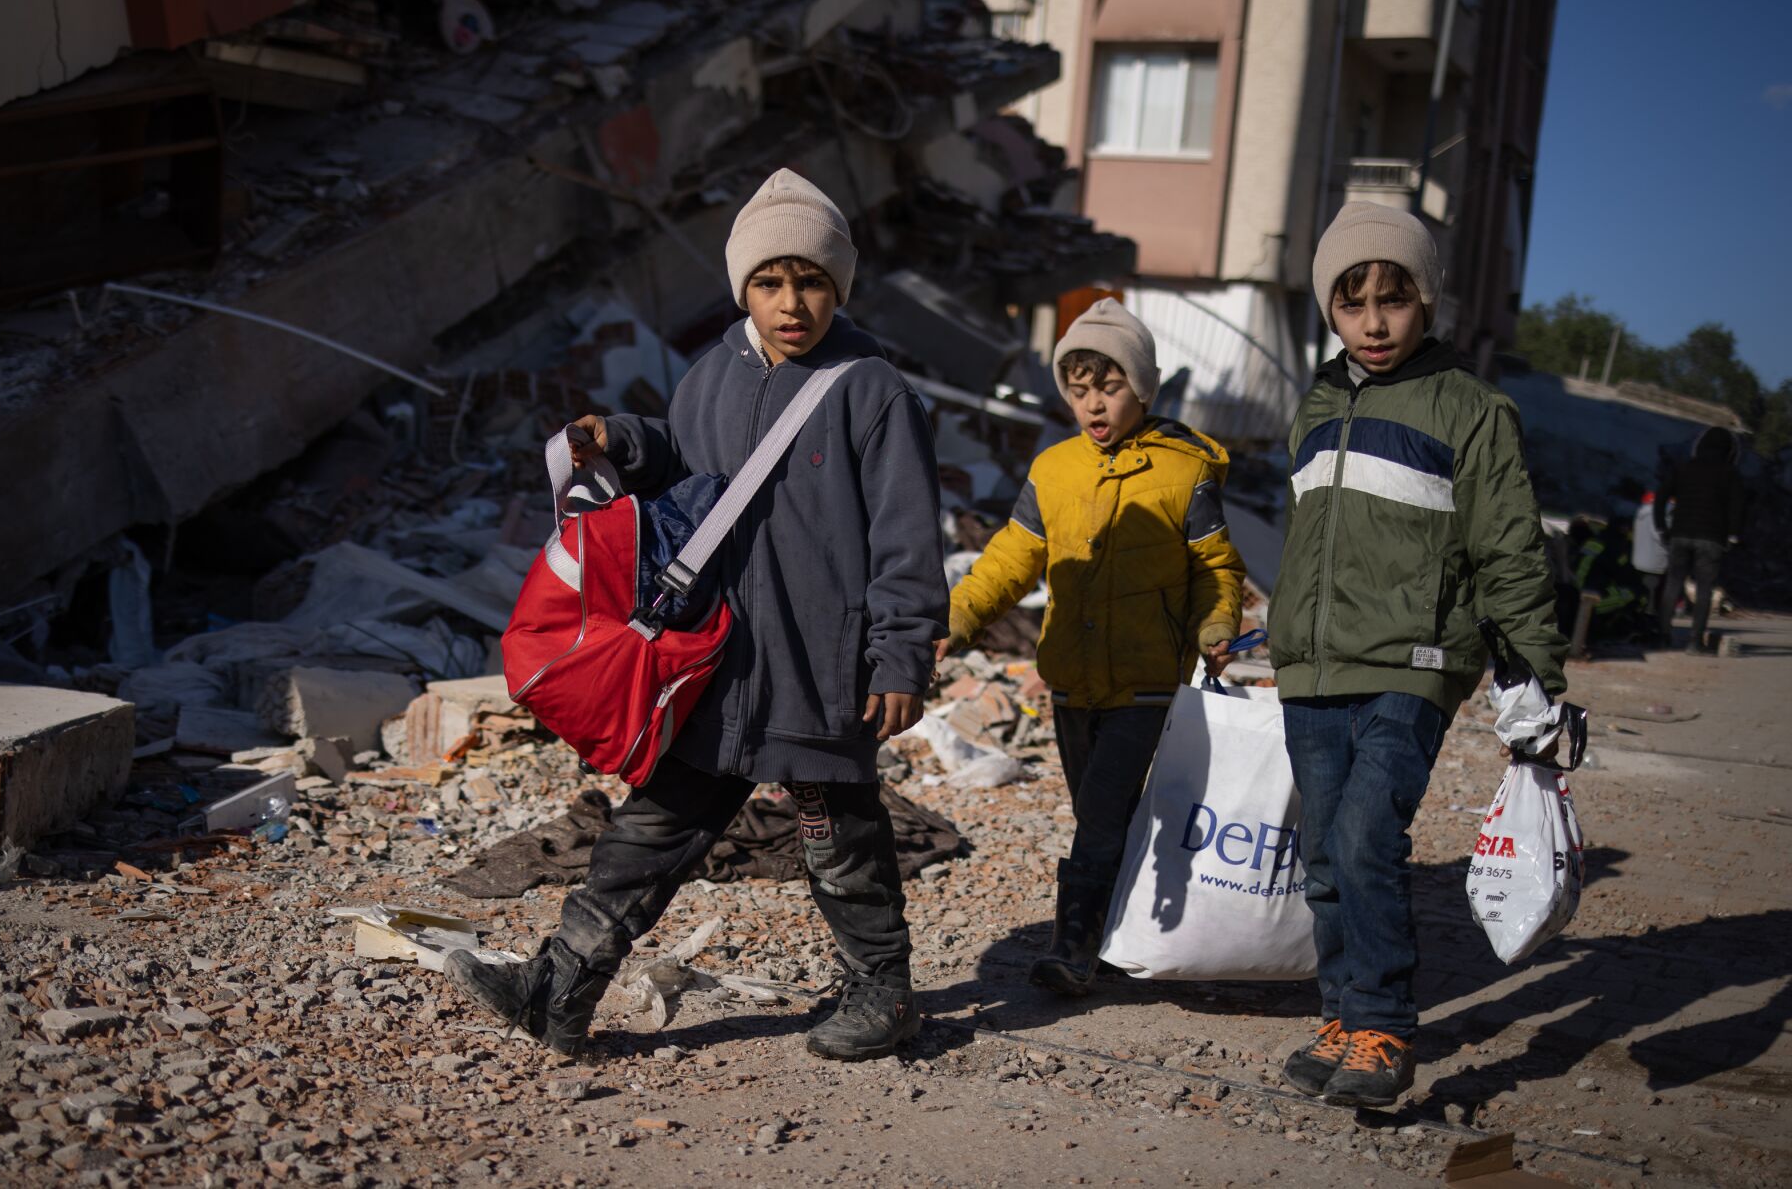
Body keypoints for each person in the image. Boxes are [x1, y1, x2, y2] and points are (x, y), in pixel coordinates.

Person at [444, 168, 947, 1061]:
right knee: (650, 828)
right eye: (770, 282)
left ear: (840, 286)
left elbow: (908, 539)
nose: (792, 303)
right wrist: (624, 442)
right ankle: (557, 989)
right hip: (716, 661)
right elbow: (686, 461)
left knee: (841, 835)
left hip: (816, 664)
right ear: (742, 286)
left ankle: (885, 995)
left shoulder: (872, 390)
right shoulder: (710, 373)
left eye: (812, 282)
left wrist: (901, 657)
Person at [1271, 202, 1567, 1108]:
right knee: (1323, 855)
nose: (1373, 321)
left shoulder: (1471, 410)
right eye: (1352, 302)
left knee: (1367, 838)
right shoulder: (1316, 405)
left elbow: (1509, 548)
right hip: (1311, 671)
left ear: (1426, 302)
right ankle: (1343, 1016)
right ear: (1329, 310)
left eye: (1392, 300)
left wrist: (1537, 678)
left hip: (1412, 664)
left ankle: (1388, 1026)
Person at [938, 298, 1246, 995]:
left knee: (1103, 816)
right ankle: (1120, 935)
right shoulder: (1054, 469)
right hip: (1073, 681)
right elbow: (1011, 558)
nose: (1093, 406)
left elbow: (1214, 567)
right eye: (1078, 391)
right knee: (1101, 816)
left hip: (1147, 680)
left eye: (1108, 388)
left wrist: (1216, 629)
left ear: (1141, 386)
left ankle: (1071, 949)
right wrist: (955, 621)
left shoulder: (1185, 471)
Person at [1656, 427, 1748, 654]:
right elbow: (1737, 507)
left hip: (1680, 533)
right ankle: (1694, 642)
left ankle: (1662, 635)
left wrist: (1662, 527)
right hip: (1712, 538)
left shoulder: (1684, 468)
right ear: (1729, 451)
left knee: (1673, 583)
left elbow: (1661, 496)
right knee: (1704, 588)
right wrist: (1733, 535)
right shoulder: (1730, 473)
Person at [1630, 484, 1669, 630]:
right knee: (1651, 599)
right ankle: (1648, 625)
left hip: (1640, 559)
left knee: (1643, 594)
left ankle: (1640, 621)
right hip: (1654, 561)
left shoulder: (1640, 512)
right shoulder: (1655, 514)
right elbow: (1659, 535)